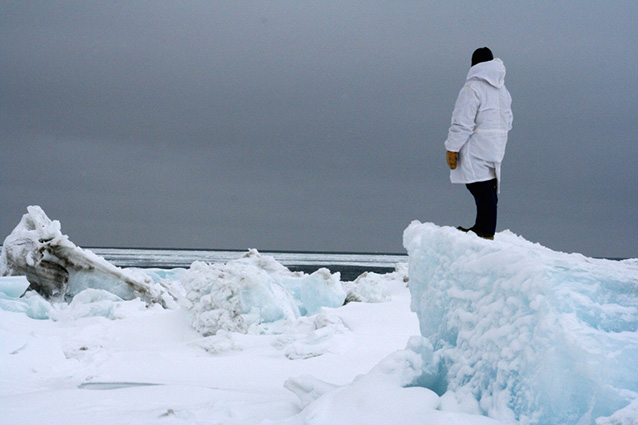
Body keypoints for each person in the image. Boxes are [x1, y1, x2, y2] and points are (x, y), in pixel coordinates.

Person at [444, 47, 513, 239]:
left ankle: (485, 230)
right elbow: (509, 119)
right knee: (488, 186)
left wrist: (452, 147)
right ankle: (483, 227)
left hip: (477, 144)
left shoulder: (472, 88)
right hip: (496, 144)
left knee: (478, 186)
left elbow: (462, 121)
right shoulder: (502, 90)